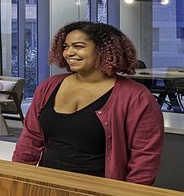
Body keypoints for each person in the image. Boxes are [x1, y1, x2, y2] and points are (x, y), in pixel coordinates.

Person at [12, 20, 163, 184]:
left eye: (78, 46)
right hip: (48, 187)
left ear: (103, 50)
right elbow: (30, 140)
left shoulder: (136, 97)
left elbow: (144, 159)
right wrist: (16, 178)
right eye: (65, 46)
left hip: (100, 195)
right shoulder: (49, 86)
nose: (68, 53)